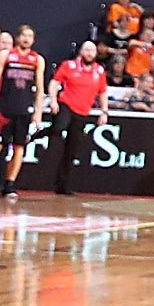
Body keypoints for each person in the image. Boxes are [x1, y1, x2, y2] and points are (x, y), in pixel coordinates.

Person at [0, 24, 49, 199]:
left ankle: (9, 184)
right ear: (17, 38)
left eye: (30, 36)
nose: (26, 39)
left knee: (19, 148)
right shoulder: (6, 55)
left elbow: (40, 88)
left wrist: (38, 111)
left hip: (24, 110)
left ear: (33, 40)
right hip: (4, 109)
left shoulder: (37, 60)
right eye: (23, 35)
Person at [50, 39, 109, 195]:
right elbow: (54, 83)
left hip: (82, 112)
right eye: (86, 50)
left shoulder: (99, 71)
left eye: (92, 51)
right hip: (66, 105)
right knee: (58, 128)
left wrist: (104, 112)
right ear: (81, 52)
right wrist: (53, 100)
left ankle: (62, 185)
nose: (89, 53)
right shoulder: (68, 65)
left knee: (72, 149)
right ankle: (39, 133)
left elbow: (102, 92)